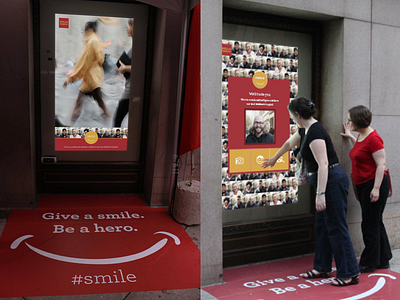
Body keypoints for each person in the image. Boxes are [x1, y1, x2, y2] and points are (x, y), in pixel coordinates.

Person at [262, 97, 360, 287]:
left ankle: (349, 273)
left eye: (292, 115)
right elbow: (289, 144)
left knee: (337, 227)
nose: (291, 118)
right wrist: (274, 158)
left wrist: (320, 194)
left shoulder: (315, 132)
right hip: (325, 181)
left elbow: (323, 165)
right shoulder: (305, 129)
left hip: (331, 181)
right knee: (323, 227)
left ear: (298, 114)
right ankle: (322, 267)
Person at [341, 105, 392, 273]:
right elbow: (363, 151)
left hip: (373, 184)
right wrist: (349, 136)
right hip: (364, 184)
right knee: (376, 222)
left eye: (350, 120)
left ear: (358, 121)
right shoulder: (362, 135)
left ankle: (368, 263)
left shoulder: (374, 138)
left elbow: (380, 164)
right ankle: (383, 258)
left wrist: (376, 189)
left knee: (369, 225)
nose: (348, 122)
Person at [63, 21, 110, 124]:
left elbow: (84, 62)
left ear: (89, 30)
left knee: (83, 102)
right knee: (86, 102)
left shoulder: (91, 42)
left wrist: (71, 78)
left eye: (85, 29)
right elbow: (100, 59)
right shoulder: (97, 40)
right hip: (93, 78)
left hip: (91, 79)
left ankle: (69, 125)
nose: (84, 32)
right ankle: (108, 119)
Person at [113, 19, 134, 127]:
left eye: (130, 25)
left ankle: (116, 143)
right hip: (130, 88)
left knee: (117, 120)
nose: (127, 28)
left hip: (132, 90)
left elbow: (141, 67)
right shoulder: (135, 45)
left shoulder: (139, 47)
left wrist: (125, 68)